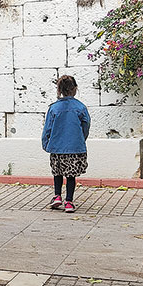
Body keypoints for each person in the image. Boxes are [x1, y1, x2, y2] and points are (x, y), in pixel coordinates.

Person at [41, 75, 91, 212]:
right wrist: (81, 139)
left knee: (57, 172)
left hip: (57, 147)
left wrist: (46, 143)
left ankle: (57, 196)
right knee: (70, 175)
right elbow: (86, 125)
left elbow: (47, 128)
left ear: (59, 90)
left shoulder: (54, 108)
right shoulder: (80, 107)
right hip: (74, 147)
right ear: (75, 89)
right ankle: (69, 201)